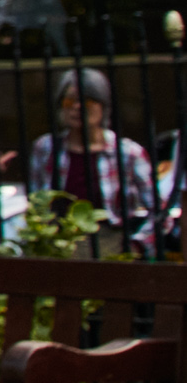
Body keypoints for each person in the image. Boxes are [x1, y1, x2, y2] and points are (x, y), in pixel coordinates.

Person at [23, 68, 158, 253]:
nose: (77, 107)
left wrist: (138, 245)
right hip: (58, 245)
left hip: (111, 244)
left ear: (104, 106)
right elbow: (34, 204)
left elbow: (159, 210)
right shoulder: (46, 148)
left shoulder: (128, 153)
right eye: (69, 100)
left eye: (87, 101)